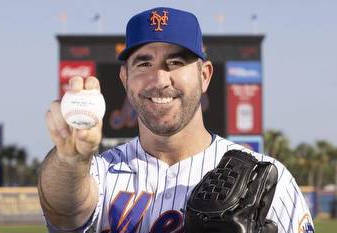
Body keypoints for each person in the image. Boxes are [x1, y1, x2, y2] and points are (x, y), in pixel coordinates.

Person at [38, 7, 315, 233]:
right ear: (125, 78)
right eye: (144, 63)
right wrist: (70, 160)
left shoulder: (267, 181)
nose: (159, 80)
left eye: (176, 63)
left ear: (204, 76)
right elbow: (65, 211)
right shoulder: (98, 174)